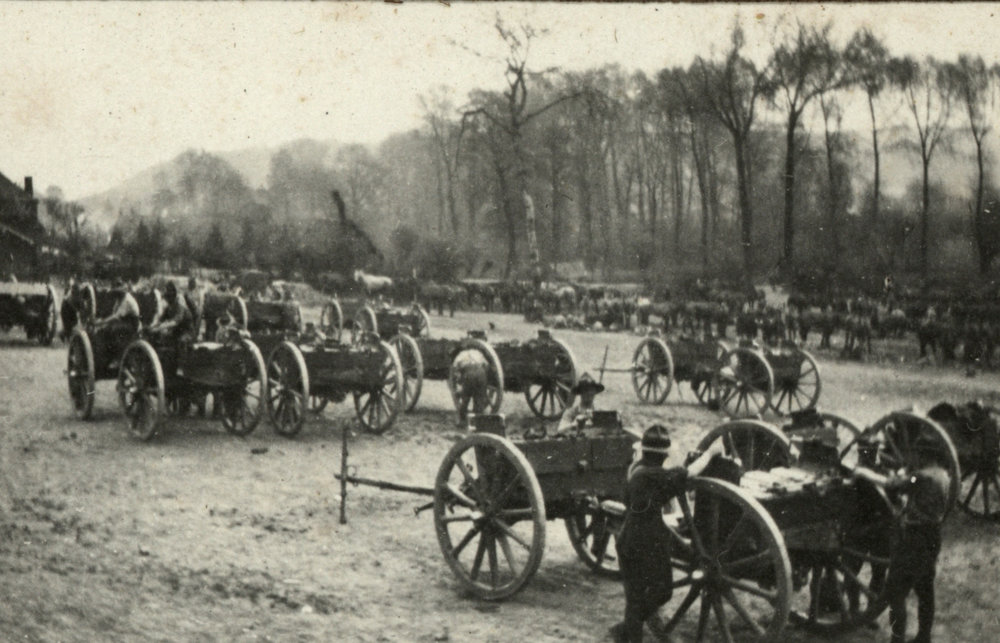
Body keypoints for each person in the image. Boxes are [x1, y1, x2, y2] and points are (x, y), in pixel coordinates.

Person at [610, 425, 726, 643]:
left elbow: (670, 478)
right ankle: (628, 630)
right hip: (646, 541)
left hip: (631, 539)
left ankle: (626, 630)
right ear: (664, 455)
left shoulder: (637, 469)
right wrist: (711, 453)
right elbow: (688, 473)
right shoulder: (655, 475)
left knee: (639, 598)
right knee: (659, 592)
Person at [853, 464, 950, 643]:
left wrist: (865, 473)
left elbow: (891, 485)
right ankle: (923, 637)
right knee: (925, 590)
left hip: (914, 538)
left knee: (896, 592)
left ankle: (897, 640)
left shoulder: (920, 477)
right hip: (933, 536)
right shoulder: (943, 474)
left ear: (923, 457)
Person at [95, 278, 141, 357]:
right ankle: (107, 353)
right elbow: (114, 313)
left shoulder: (127, 300)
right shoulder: (119, 299)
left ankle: (118, 356)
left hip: (132, 324)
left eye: (116, 292)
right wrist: (104, 322)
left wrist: (102, 322)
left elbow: (116, 317)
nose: (115, 295)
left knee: (114, 330)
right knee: (106, 328)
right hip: (125, 322)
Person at [451, 346, 491, 427]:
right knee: (479, 398)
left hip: (469, 373)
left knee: (465, 398)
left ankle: (462, 422)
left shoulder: (461, 354)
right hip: (481, 373)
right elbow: (487, 365)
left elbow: (455, 368)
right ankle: (478, 423)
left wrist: (459, 381)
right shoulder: (478, 353)